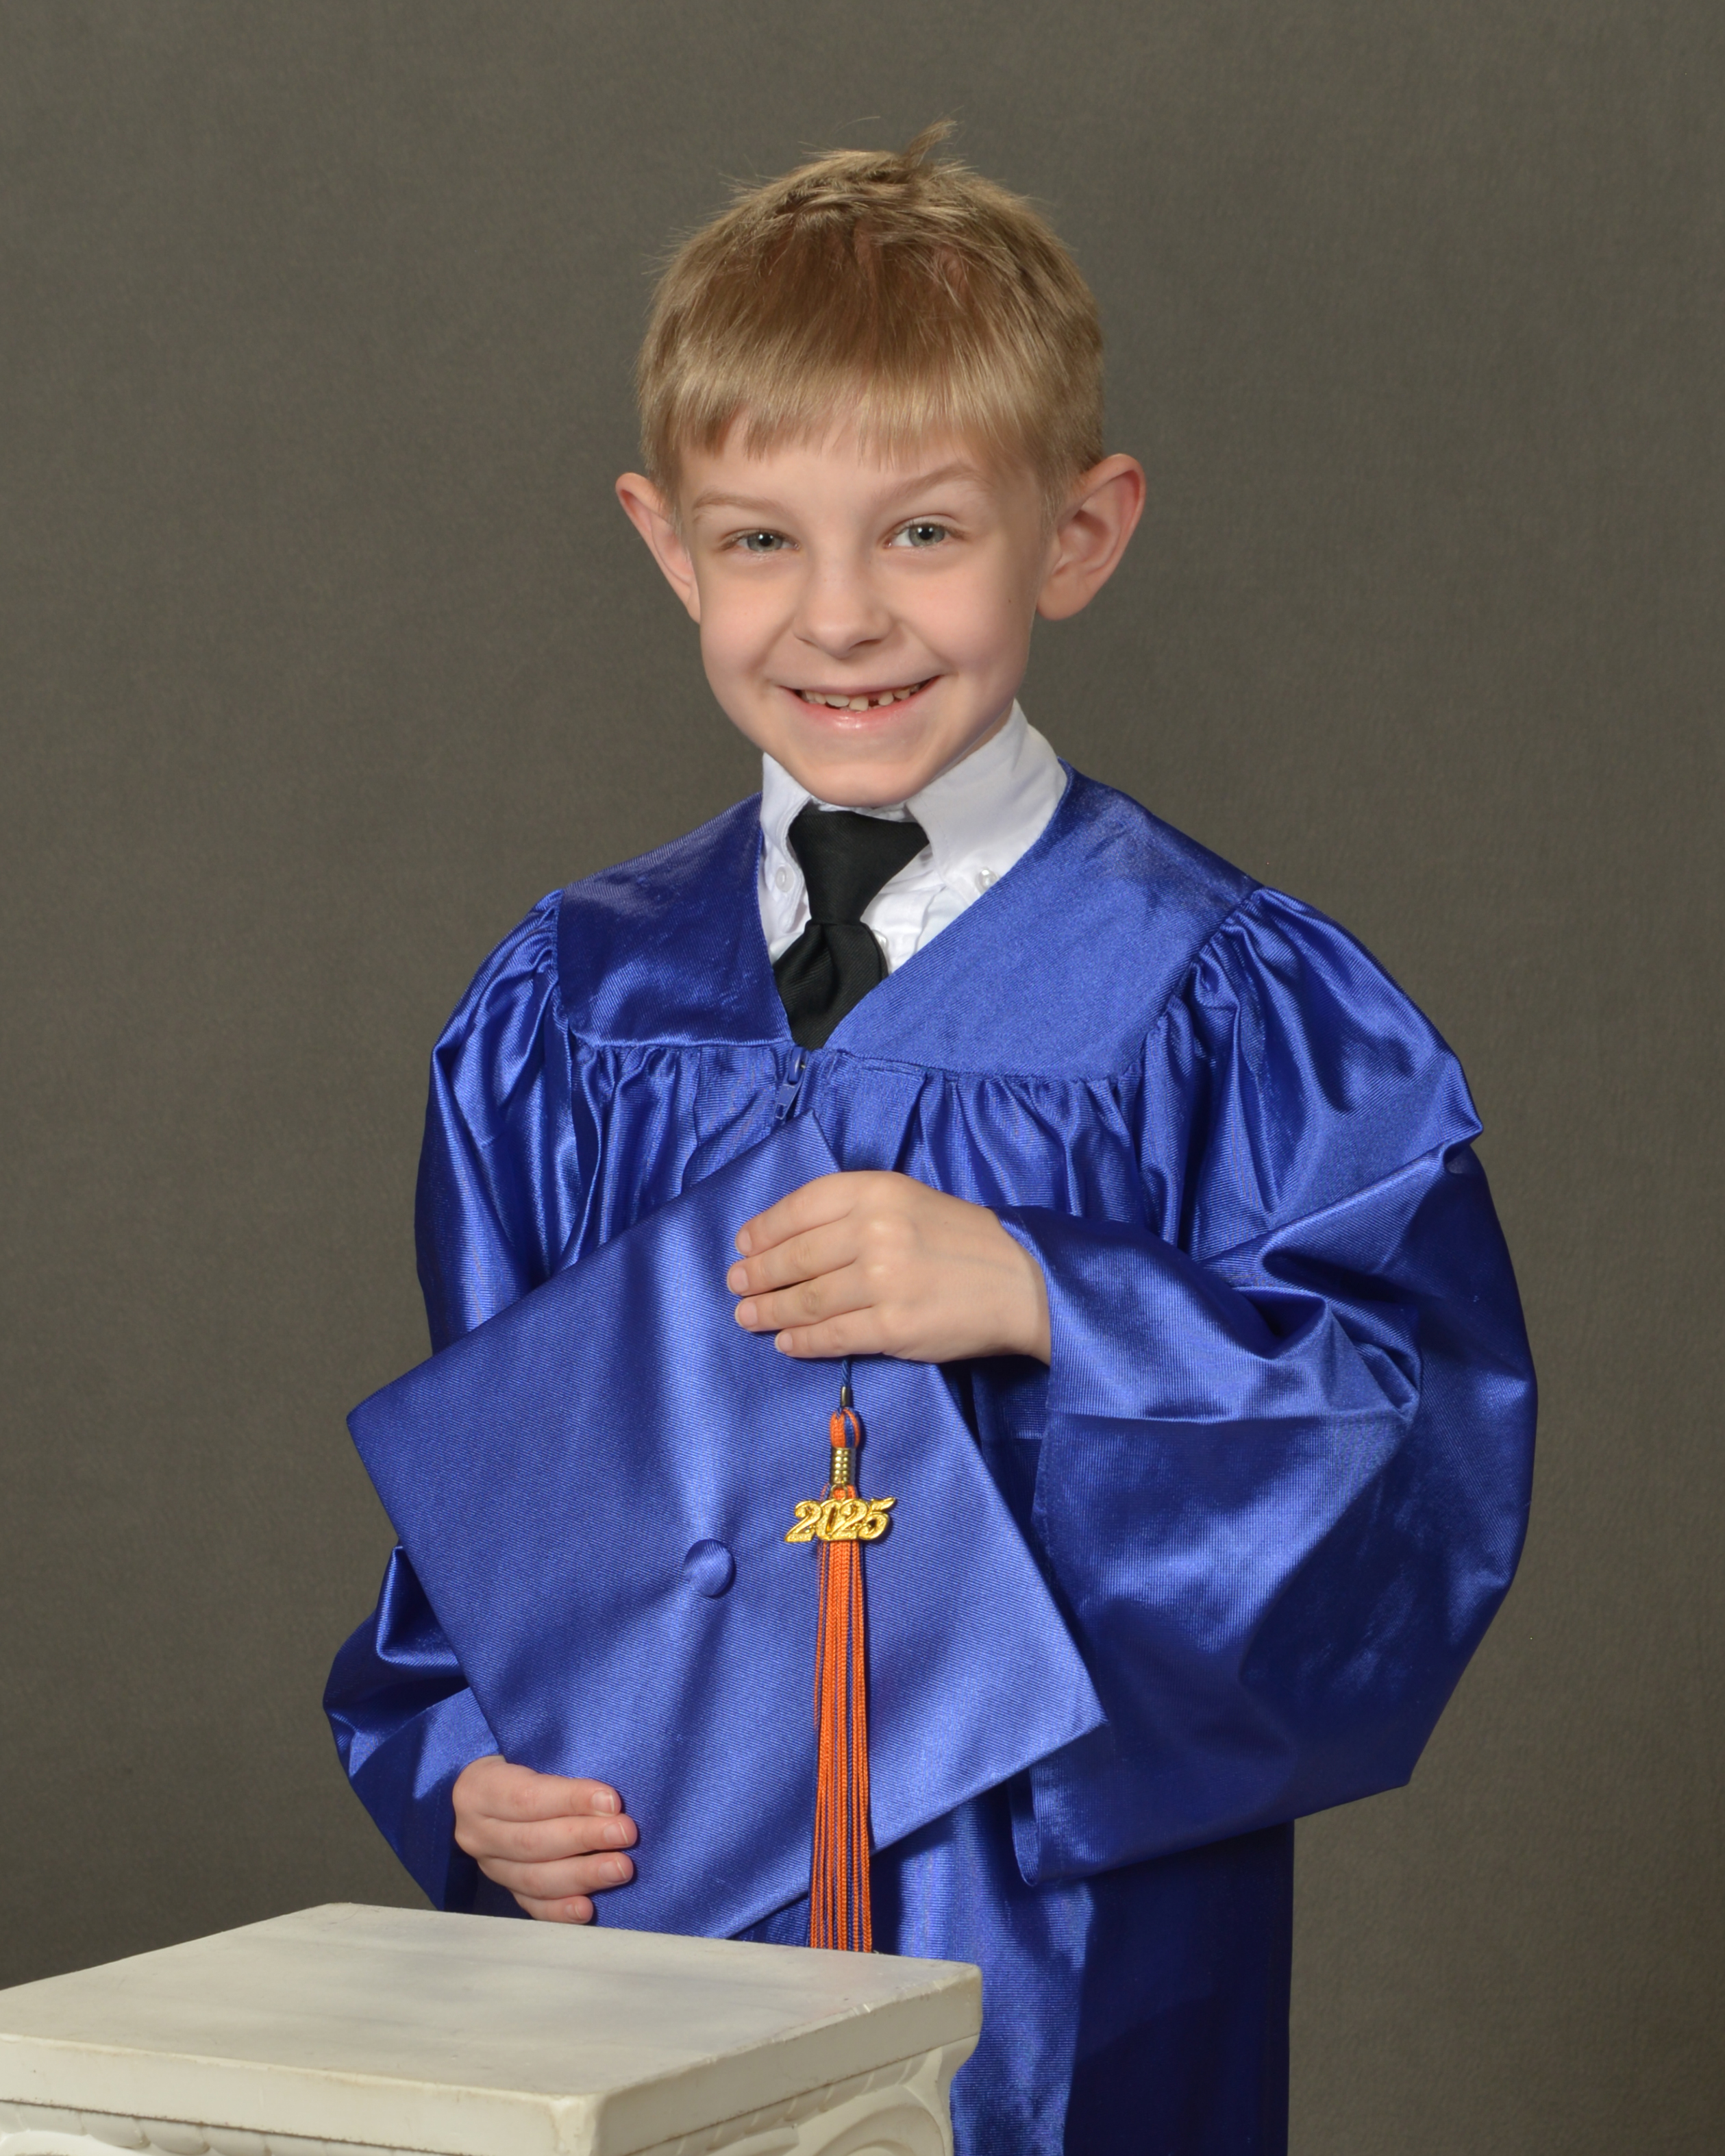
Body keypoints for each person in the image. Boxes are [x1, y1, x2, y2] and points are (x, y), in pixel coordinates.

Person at [326, 128, 1535, 2155]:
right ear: (666, 546)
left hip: (1060, 1966)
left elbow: (1414, 1458)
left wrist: (1057, 1298)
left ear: (1079, 530)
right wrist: (465, 1771)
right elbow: (498, 1516)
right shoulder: (567, 1015)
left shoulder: (1226, 1002)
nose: (843, 617)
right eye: (761, 540)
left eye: (923, 532)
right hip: (661, 1945)